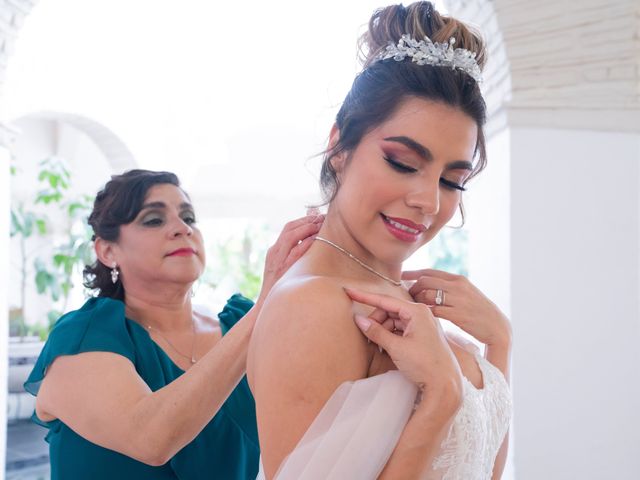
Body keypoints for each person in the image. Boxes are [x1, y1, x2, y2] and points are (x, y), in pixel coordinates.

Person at [247, 2, 512, 479]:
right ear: (340, 149)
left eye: (452, 181)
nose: (428, 201)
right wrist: (441, 400)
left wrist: (499, 345)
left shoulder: (403, 302)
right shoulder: (312, 307)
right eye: (403, 163)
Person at [24, 169, 323, 480]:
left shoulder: (241, 321)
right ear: (108, 251)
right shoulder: (83, 336)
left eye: (189, 217)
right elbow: (150, 438)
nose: (182, 229)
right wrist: (264, 306)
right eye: (154, 219)